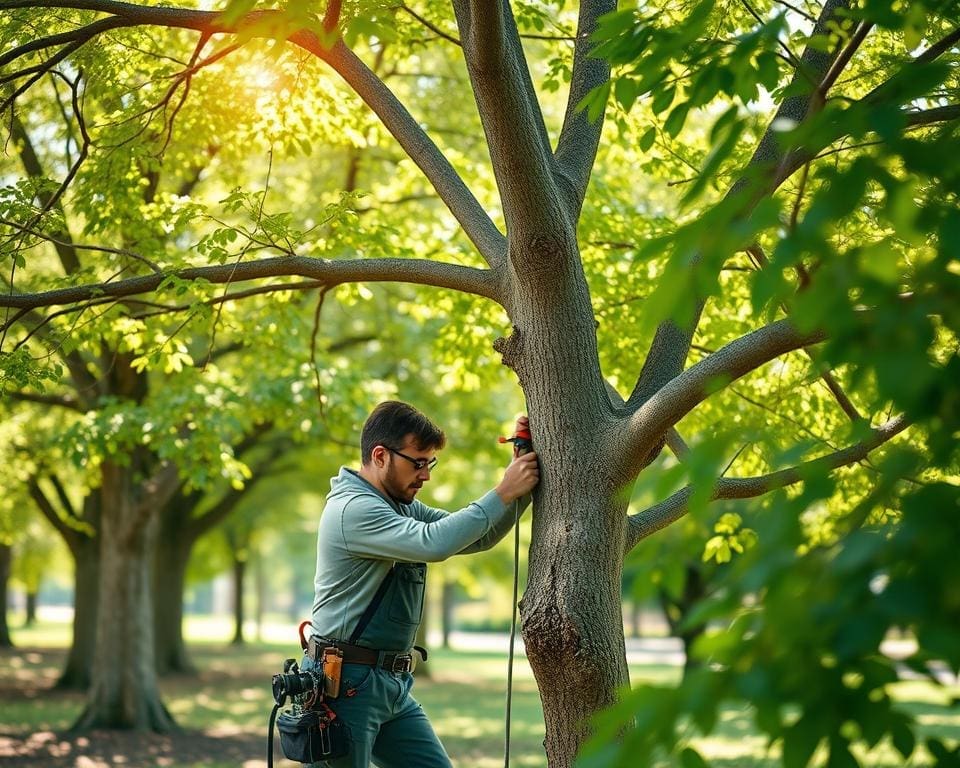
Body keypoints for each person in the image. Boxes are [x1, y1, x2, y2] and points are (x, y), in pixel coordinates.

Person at [301, 400, 540, 768]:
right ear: (380, 456)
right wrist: (504, 491)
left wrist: (519, 477)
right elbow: (436, 543)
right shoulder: (354, 509)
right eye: (417, 462)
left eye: (429, 463)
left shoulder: (400, 506)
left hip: (391, 685)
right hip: (344, 686)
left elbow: (476, 537)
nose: (425, 475)